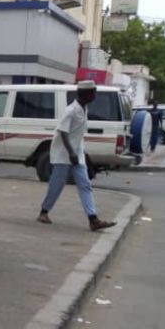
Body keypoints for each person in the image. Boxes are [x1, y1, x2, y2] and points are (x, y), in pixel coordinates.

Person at [37, 80, 116, 231]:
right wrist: (71, 152)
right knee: (57, 185)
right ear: (85, 94)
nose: (95, 95)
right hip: (63, 154)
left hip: (76, 154)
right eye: (93, 92)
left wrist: (77, 154)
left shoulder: (83, 108)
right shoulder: (71, 110)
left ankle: (93, 219)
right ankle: (43, 212)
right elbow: (63, 132)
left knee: (85, 185)